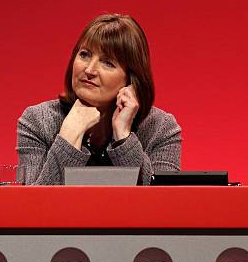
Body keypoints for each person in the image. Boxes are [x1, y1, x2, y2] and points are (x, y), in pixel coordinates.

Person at [17, 14, 181, 185]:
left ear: (131, 79)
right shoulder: (37, 120)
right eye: (85, 54)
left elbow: (161, 204)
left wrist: (123, 136)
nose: (89, 69)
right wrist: (68, 136)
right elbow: (33, 207)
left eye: (108, 63)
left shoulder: (161, 128)